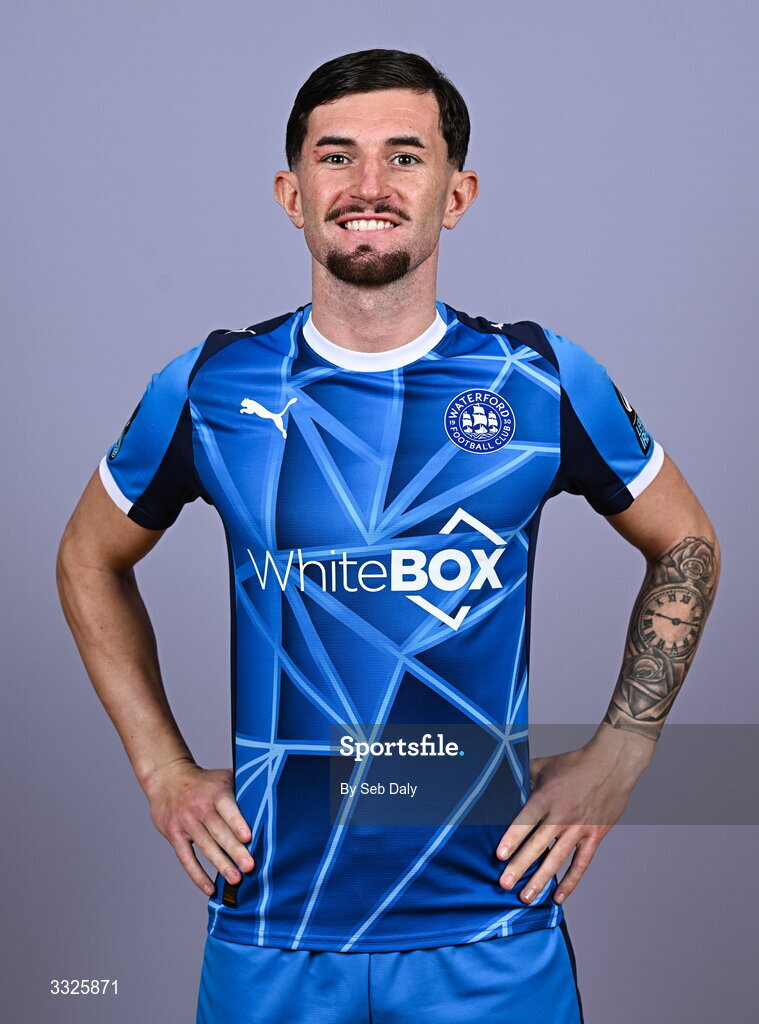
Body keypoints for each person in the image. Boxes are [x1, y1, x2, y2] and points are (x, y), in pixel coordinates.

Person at [56, 47, 720, 1024]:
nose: (369, 186)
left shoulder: (539, 381)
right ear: (292, 191)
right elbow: (87, 557)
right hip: (273, 924)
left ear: (458, 193)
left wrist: (626, 749)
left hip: (489, 927)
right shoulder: (208, 388)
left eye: (405, 157)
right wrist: (161, 767)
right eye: (337, 157)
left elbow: (688, 544)